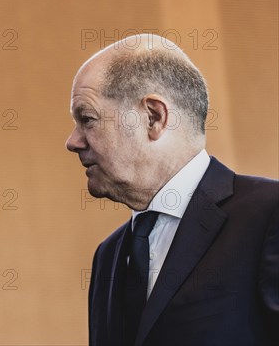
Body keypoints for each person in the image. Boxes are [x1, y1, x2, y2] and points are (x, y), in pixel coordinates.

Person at [65, 34, 278, 345]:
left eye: (87, 119)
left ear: (154, 117)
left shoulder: (268, 216)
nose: (72, 142)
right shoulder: (108, 256)